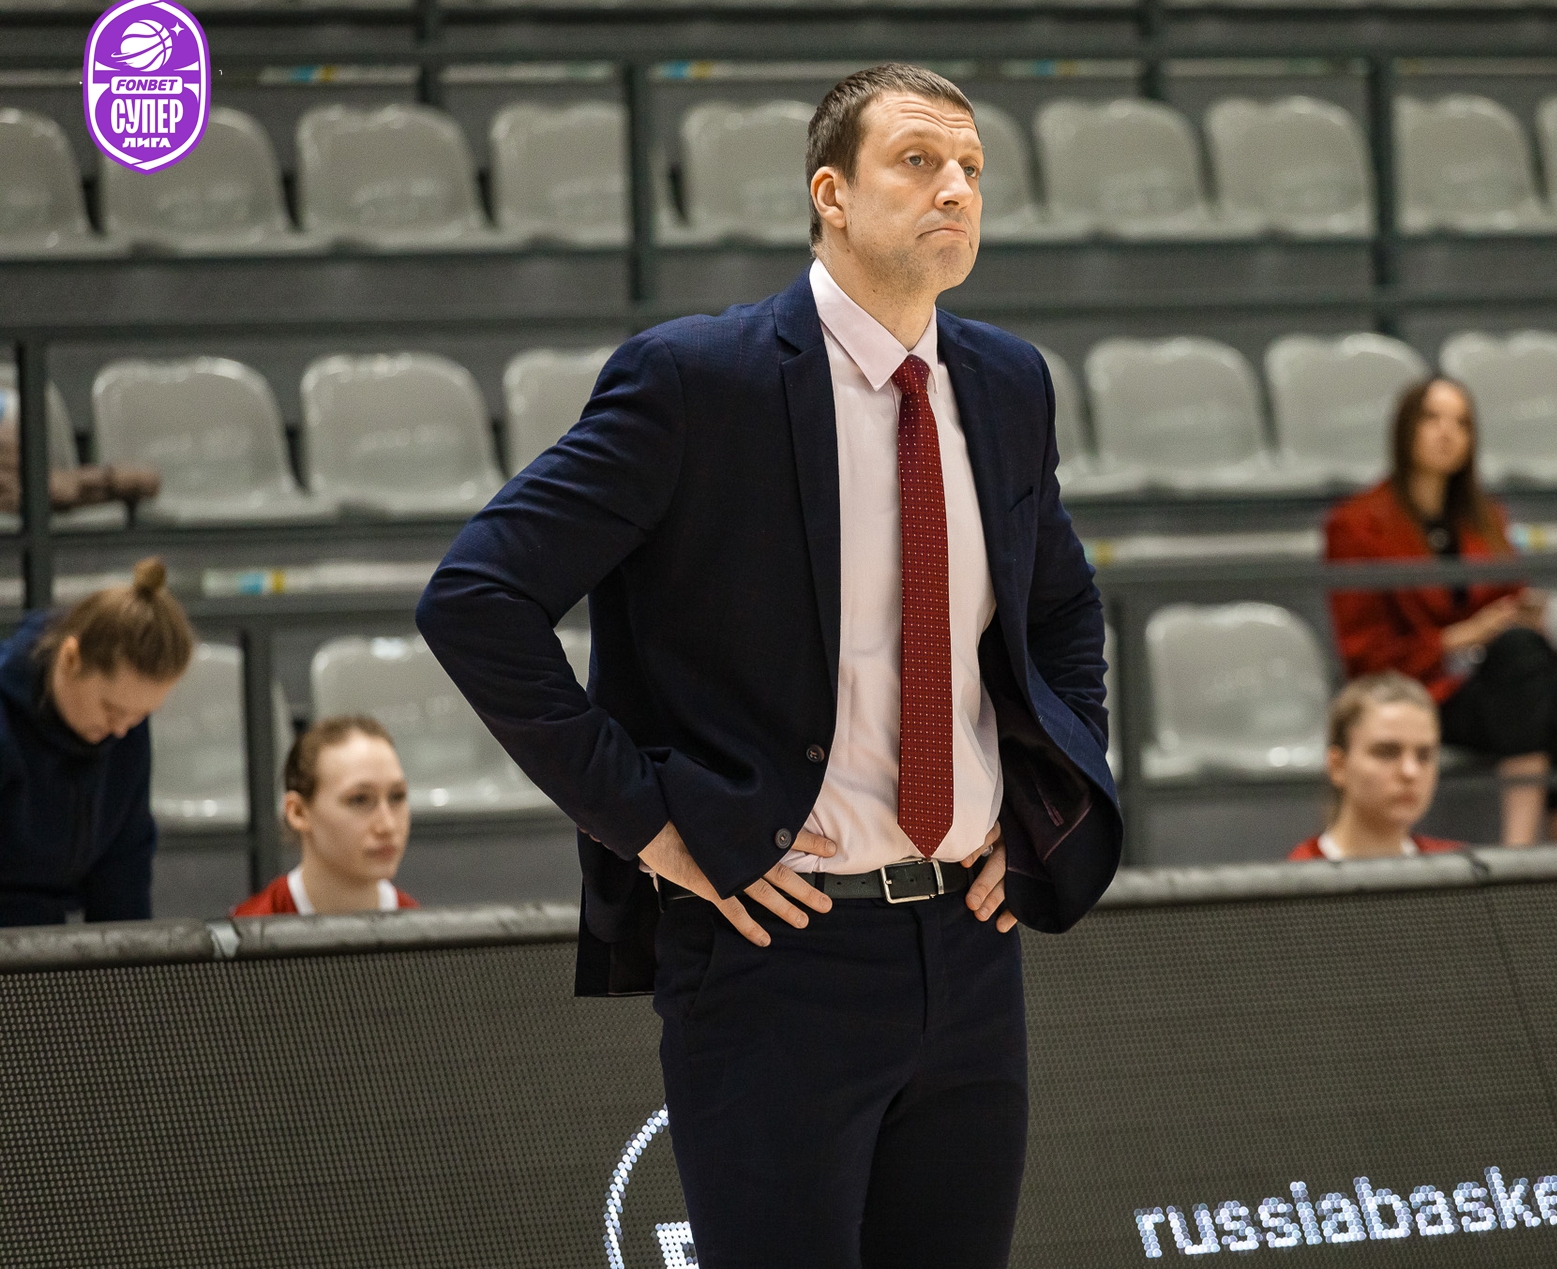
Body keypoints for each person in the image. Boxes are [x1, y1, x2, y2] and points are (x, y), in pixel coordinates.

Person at [415, 63, 1120, 1268]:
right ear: (830, 194)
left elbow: (1059, 606)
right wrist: (647, 825)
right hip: (773, 951)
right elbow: (476, 597)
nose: (955, 188)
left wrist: (1046, 792)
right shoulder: (698, 380)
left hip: (969, 949)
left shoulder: (1008, 383)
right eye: (918, 161)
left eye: (971, 168)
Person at [1324, 376, 1557, 847]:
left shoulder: (1486, 516)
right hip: (1419, 689)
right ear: (1405, 429)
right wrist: (1466, 635)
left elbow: (1508, 595)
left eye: (1461, 423)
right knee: (1524, 665)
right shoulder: (1356, 525)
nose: (1447, 433)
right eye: (1432, 419)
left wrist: (1521, 615)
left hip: (1490, 683)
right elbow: (1365, 654)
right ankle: (1518, 852)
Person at [0, 557, 194, 926]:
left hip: (52, 932)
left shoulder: (125, 730)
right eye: (111, 708)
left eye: (140, 715)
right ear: (71, 658)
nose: (121, 729)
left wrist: (129, 954)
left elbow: (125, 861)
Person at [232, 715, 418, 917]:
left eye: (397, 796)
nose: (388, 825)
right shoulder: (247, 927)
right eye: (359, 799)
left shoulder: (424, 929)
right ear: (298, 812)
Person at [1288, 672, 1464, 862]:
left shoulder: (1460, 867)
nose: (1410, 771)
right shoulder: (1299, 874)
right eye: (1386, 753)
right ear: (1338, 766)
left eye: (1424, 756)